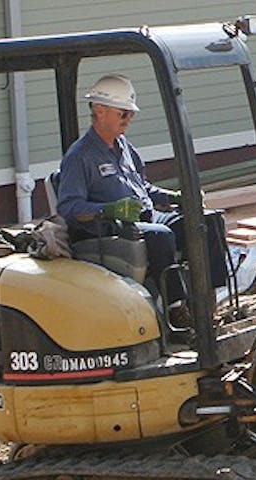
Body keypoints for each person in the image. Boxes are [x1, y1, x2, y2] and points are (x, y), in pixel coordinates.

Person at [56, 74, 190, 327]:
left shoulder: (124, 147)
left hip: (144, 217)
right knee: (161, 236)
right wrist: (109, 210)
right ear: (100, 111)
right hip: (110, 229)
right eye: (123, 114)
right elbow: (68, 207)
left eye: (131, 114)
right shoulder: (80, 157)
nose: (129, 120)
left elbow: (142, 187)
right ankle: (176, 310)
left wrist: (171, 197)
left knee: (201, 222)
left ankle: (210, 297)